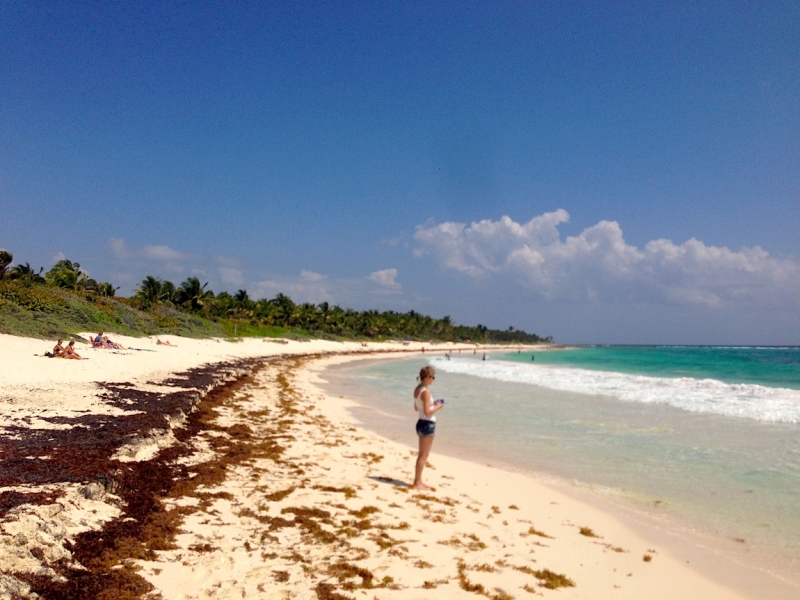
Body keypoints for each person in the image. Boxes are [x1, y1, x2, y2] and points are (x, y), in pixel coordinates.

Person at [412, 366, 444, 490]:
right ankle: (417, 482)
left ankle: (418, 480)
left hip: (420, 423)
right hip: (427, 424)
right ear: (426, 377)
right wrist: (439, 406)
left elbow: (417, 407)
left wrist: (432, 403)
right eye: (432, 377)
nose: (433, 380)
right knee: (423, 455)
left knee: (421, 454)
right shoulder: (425, 392)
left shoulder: (417, 389)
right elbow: (427, 412)